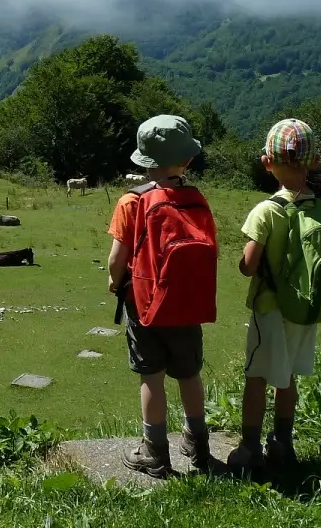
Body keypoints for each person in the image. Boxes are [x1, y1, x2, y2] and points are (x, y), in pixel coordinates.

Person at [107, 114, 219, 478]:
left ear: (144, 160)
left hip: (147, 305)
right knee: (189, 374)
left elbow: (117, 258)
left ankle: (155, 452)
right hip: (188, 303)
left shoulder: (131, 201)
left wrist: (114, 281)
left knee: (151, 377)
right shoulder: (196, 198)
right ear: (187, 160)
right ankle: (198, 444)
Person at [227, 117, 321, 470]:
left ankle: (249, 448)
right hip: (303, 308)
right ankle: (283, 443)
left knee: (257, 376)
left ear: (268, 162)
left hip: (269, 307)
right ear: (314, 161)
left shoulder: (266, 210)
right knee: (288, 377)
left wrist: (242, 262)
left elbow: (249, 266)